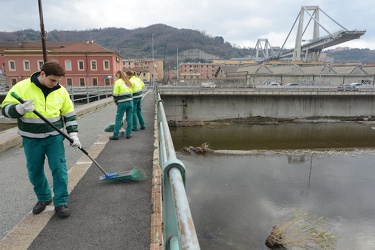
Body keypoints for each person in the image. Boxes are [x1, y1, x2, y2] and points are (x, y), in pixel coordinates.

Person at [1, 61, 81, 218]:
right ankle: (44, 198)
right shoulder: (21, 88)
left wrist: (74, 134)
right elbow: (5, 109)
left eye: (58, 81)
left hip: (54, 138)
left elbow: (69, 114)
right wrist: (18, 109)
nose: (55, 84)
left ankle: (61, 202)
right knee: (34, 170)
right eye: (53, 80)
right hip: (31, 139)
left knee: (59, 169)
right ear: (42, 74)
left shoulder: (61, 91)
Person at [110, 70, 133, 140]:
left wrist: (116, 101)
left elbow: (115, 94)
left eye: (116, 75)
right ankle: (128, 134)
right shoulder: (127, 81)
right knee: (129, 118)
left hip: (122, 103)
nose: (115, 76)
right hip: (130, 102)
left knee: (119, 118)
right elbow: (131, 92)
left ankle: (115, 135)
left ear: (118, 75)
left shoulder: (117, 82)